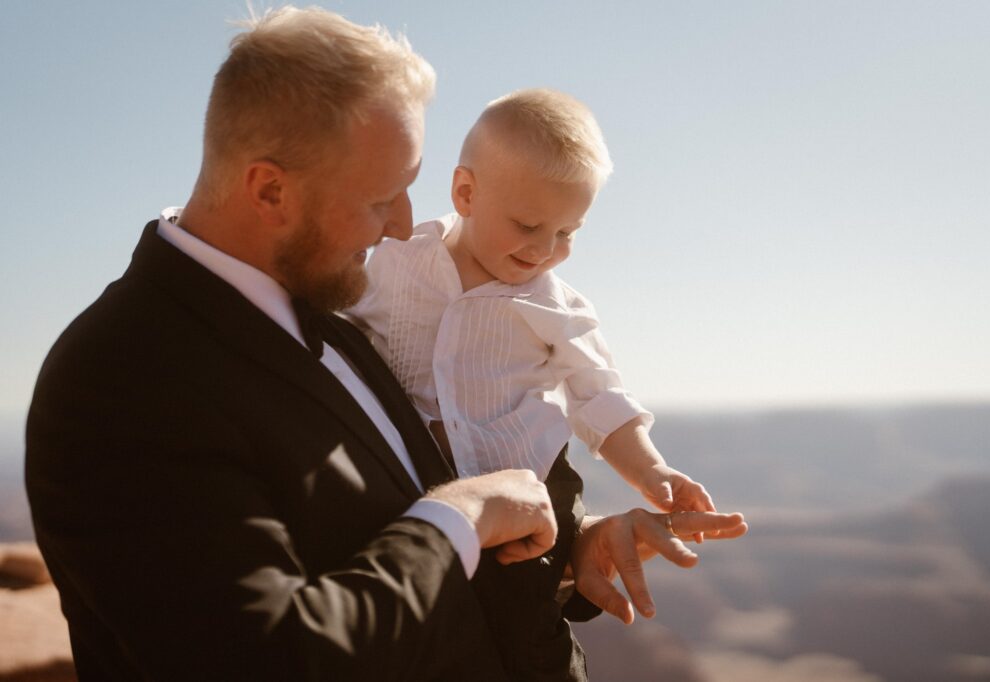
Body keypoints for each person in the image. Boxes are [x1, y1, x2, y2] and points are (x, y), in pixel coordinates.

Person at [25, 6, 747, 682]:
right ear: (269, 190)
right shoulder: (124, 376)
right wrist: (462, 517)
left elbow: (396, 515)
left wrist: (571, 547)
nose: (405, 228)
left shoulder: (338, 312)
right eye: (380, 199)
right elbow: (268, 656)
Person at [349, 89, 713, 517]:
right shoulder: (398, 260)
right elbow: (345, 334)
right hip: (400, 482)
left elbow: (600, 397)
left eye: (566, 232)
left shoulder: (559, 308)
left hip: (517, 501)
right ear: (465, 193)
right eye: (527, 225)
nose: (543, 249)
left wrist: (652, 471)